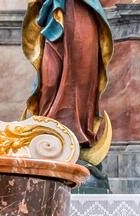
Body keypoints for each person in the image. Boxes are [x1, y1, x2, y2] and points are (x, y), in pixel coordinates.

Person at [22, 0, 113, 167]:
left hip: (83, 13)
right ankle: (46, 133)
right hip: (54, 20)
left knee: (80, 80)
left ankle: (76, 138)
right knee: (49, 83)